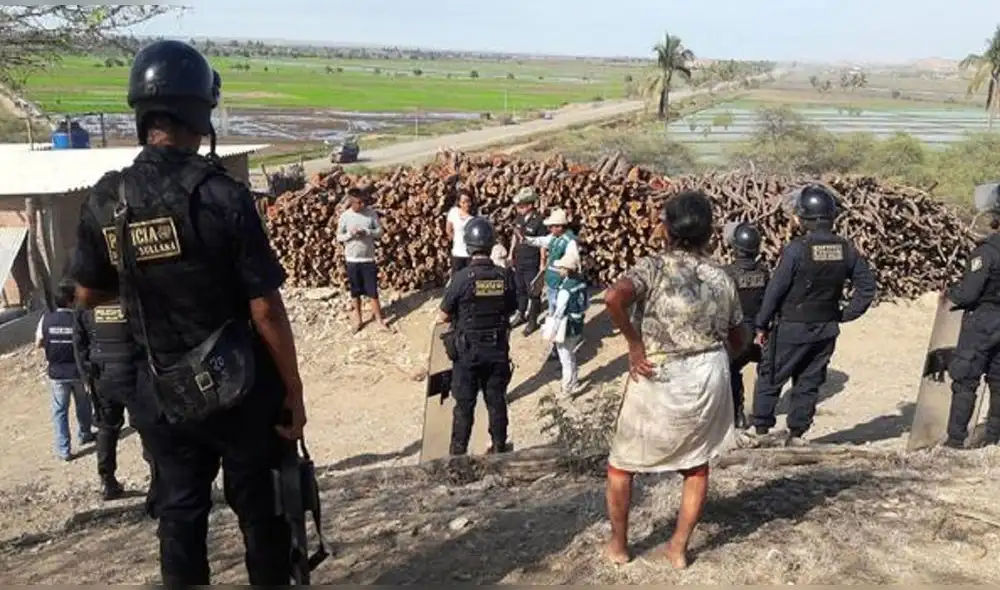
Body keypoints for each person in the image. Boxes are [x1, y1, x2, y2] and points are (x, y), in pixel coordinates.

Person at [69, 39, 305, 585]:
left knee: (179, 515)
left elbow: (85, 294)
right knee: (262, 515)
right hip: (241, 389)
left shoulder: (107, 198)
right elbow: (265, 306)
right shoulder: (224, 195)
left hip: (162, 389)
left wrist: (141, 283)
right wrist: (292, 388)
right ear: (200, 111)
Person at [603, 190, 747, 568]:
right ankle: (678, 549)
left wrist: (635, 345)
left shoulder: (652, 267)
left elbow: (614, 297)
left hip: (659, 371)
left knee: (622, 464)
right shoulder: (721, 277)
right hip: (707, 374)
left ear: (666, 228)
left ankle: (619, 547)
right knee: (696, 465)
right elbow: (739, 338)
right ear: (709, 232)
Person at [750, 184, 876, 445]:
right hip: (826, 328)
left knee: (771, 377)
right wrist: (844, 314)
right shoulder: (846, 248)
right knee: (808, 382)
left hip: (791, 328)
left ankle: (761, 431)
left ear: (803, 217)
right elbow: (866, 287)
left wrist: (761, 324)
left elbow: (776, 290)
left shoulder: (797, 249)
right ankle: (797, 434)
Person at [437, 216, 518, 455]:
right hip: (497, 350)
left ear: (469, 246)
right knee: (497, 402)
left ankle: (458, 455)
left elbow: (443, 315)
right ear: (491, 244)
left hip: (468, 354)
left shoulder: (461, 278)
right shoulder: (504, 277)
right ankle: (500, 449)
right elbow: (512, 307)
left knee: (464, 405)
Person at [942, 182, 1000, 449]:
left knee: (965, 378)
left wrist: (951, 294)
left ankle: (955, 440)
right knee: (999, 379)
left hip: (983, 319)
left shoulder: (987, 252)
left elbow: (968, 294)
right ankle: (993, 436)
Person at [73, 300, 134, 500]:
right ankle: (158, 484)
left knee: (106, 430)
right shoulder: (128, 293)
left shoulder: (86, 303)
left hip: (102, 377)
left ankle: (107, 482)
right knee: (147, 426)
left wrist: (86, 378)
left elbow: (79, 346)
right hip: (133, 373)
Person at [36, 283, 94, 461]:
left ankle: (63, 450)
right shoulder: (80, 318)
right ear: (71, 301)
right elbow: (89, 343)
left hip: (57, 374)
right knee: (83, 405)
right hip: (78, 372)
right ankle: (85, 434)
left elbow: (38, 343)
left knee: (59, 411)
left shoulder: (46, 319)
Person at [721, 221, 770, 429]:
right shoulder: (765, 273)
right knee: (766, 373)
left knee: (731, 371)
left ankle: (737, 415)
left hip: (737, 335)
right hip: (761, 333)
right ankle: (762, 416)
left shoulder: (725, 274)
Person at [516, 208, 580, 359]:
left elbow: (574, 260)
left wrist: (564, 268)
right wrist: (526, 239)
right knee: (553, 315)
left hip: (561, 286)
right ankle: (556, 346)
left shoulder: (569, 241)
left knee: (560, 317)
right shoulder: (554, 237)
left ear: (559, 226)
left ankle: (560, 349)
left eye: (552, 226)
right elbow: (541, 241)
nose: (550, 228)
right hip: (552, 285)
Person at [336, 188, 389, 332]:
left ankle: (379, 320)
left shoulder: (371, 213)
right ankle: (358, 320)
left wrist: (367, 232)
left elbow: (380, 232)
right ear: (351, 202)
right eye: (358, 202)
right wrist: (350, 235)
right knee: (355, 292)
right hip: (352, 259)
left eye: (363, 202)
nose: (362, 205)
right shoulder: (345, 216)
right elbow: (338, 236)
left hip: (368, 258)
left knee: (372, 291)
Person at [540, 250, 589, 397]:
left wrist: (552, 331)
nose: (558, 270)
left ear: (567, 270)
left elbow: (559, 312)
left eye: (561, 268)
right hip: (578, 322)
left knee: (565, 358)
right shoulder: (581, 283)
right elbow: (587, 304)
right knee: (572, 354)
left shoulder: (565, 289)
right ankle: (574, 382)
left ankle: (567, 388)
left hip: (567, 326)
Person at [509, 187, 547, 336]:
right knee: (520, 289)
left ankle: (532, 321)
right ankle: (521, 313)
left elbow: (543, 243)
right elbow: (515, 235)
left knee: (534, 292)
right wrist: (511, 252)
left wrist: (542, 262)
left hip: (532, 261)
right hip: (519, 260)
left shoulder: (539, 221)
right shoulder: (518, 218)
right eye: (518, 206)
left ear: (530, 205)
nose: (519, 208)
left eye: (522, 206)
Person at [446, 193, 475, 274]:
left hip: (470, 254)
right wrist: (456, 240)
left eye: (468, 201)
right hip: (457, 253)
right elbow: (448, 229)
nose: (466, 204)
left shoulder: (472, 217)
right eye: (463, 202)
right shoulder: (453, 212)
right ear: (459, 202)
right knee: (457, 278)